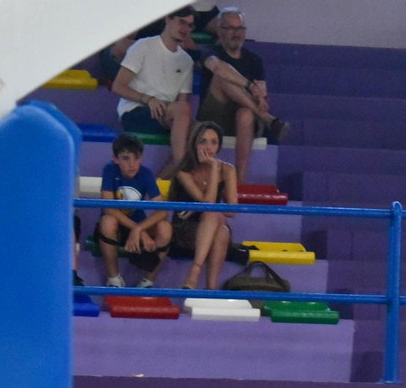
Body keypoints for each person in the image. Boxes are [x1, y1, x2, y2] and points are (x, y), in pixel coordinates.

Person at [192, 8, 289, 183]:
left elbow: (262, 92)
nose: (236, 34)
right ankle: (268, 119)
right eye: (230, 28)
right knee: (221, 78)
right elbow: (217, 68)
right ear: (220, 31)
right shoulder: (210, 52)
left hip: (244, 118)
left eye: (240, 29)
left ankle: (238, 183)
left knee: (246, 114)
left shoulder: (254, 60)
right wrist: (249, 86)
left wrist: (261, 98)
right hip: (213, 117)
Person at [111, 6, 196, 178]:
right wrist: (148, 99)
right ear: (168, 19)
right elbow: (117, 86)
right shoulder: (143, 46)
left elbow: (182, 102)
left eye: (189, 25)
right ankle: (184, 173)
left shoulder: (186, 61)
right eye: (181, 22)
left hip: (166, 114)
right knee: (184, 114)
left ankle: (156, 186)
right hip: (135, 111)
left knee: (198, 134)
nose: (185, 28)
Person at [95, 133, 172, 289]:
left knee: (165, 227)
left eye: (136, 158)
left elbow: (163, 211)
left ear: (141, 158)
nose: (132, 164)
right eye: (126, 158)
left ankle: (147, 282)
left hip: (137, 226)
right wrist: (137, 230)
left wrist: (139, 228)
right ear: (115, 159)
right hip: (115, 229)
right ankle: (114, 279)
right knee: (108, 222)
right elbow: (108, 208)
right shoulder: (109, 170)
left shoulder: (146, 173)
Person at [168, 121, 237, 292]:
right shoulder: (184, 170)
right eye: (203, 141)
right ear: (195, 143)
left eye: (214, 142)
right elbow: (207, 204)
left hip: (213, 226)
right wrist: (214, 169)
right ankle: (202, 279)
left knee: (221, 228)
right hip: (185, 227)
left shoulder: (227, 170)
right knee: (214, 217)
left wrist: (214, 167)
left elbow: (232, 211)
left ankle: (204, 284)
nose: (209, 147)